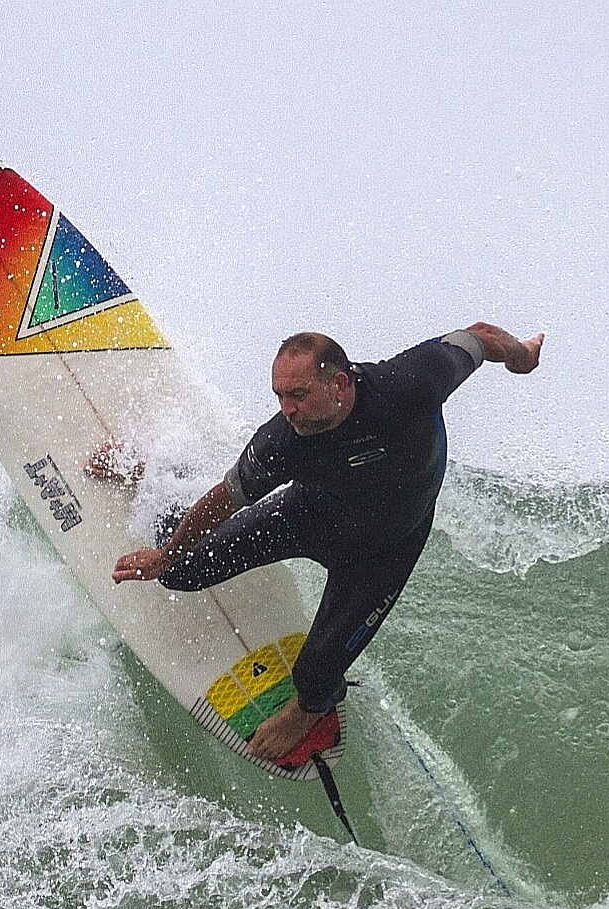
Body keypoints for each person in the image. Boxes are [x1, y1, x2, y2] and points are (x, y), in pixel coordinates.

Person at [110, 323, 544, 762]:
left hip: (385, 549)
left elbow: (479, 336)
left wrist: (521, 355)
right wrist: (165, 556)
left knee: (315, 676)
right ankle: (154, 473)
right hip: (310, 518)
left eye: (298, 395)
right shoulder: (281, 442)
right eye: (280, 396)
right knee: (181, 571)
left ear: (339, 384)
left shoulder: (408, 384)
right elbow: (226, 498)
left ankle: (307, 712)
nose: (287, 410)